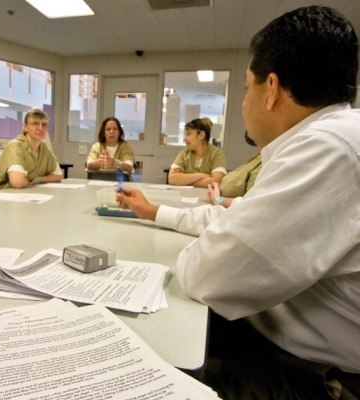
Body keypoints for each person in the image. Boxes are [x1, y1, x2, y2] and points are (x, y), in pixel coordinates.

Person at [117, 6, 360, 399]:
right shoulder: (330, 140)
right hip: (285, 341)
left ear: (272, 89)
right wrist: (156, 212)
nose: (244, 100)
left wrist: (216, 239)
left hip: (320, 377)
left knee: (151, 360)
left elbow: (207, 274)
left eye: (247, 87)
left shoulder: (329, 150)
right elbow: (233, 216)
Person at [0, 108, 62, 190]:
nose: (41, 128)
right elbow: (17, 182)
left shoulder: (43, 148)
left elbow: (58, 175)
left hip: (26, 194)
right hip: (3, 196)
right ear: (25, 127)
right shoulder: (15, 146)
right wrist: (30, 183)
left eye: (44, 124)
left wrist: (39, 179)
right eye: (35, 123)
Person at [168, 117, 226, 187]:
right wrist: (203, 175)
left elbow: (216, 181)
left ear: (201, 135)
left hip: (208, 196)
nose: (185, 139)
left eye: (188, 134)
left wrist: (186, 181)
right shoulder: (184, 154)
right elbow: (172, 179)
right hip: (186, 196)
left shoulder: (216, 154)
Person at [208, 132, 261, 208]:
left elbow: (252, 205)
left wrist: (218, 200)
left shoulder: (266, 163)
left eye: (189, 134)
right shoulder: (260, 156)